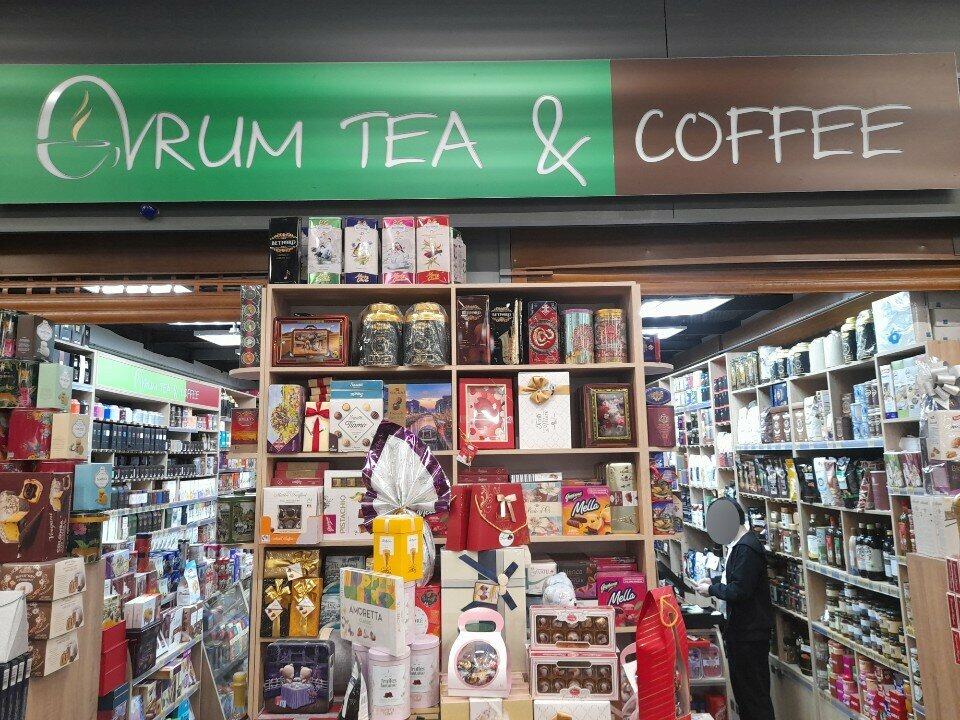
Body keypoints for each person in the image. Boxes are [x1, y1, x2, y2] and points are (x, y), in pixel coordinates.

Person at [697, 500, 775, 720]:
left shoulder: (746, 548)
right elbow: (736, 578)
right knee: (746, 695)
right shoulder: (740, 544)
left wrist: (712, 590)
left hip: (749, 634)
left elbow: (740, 590)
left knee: (754, 697)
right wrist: (713, 581)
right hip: (743, 632)